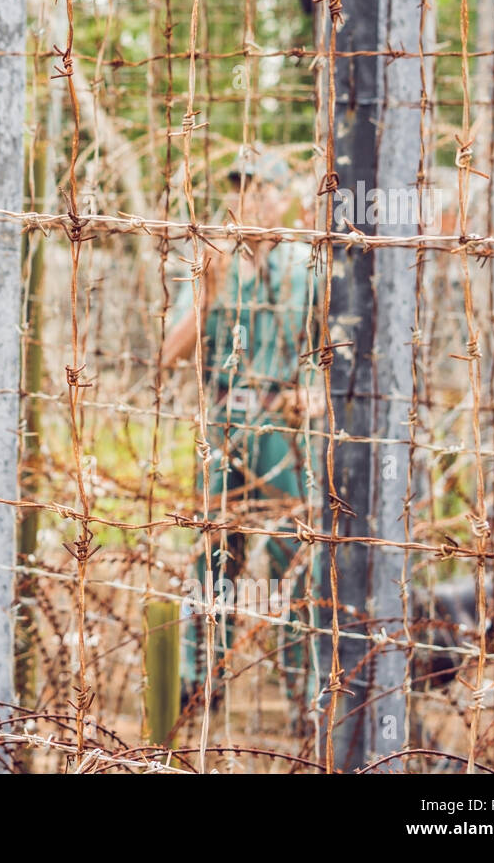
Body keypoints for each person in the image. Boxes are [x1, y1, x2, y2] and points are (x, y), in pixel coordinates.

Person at [158, 147, 324, 717]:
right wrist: (206, 293)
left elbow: (334, 345)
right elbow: (168, 354)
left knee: (292, 556)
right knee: (215, 553)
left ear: (285, 197)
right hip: (226, 420)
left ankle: (305, 688)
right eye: (242, 187)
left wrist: (315, 388)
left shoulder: (308, 265)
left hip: (285, 422)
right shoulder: (211, 262)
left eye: (264, 187)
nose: (251, 197)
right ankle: (200, 681)